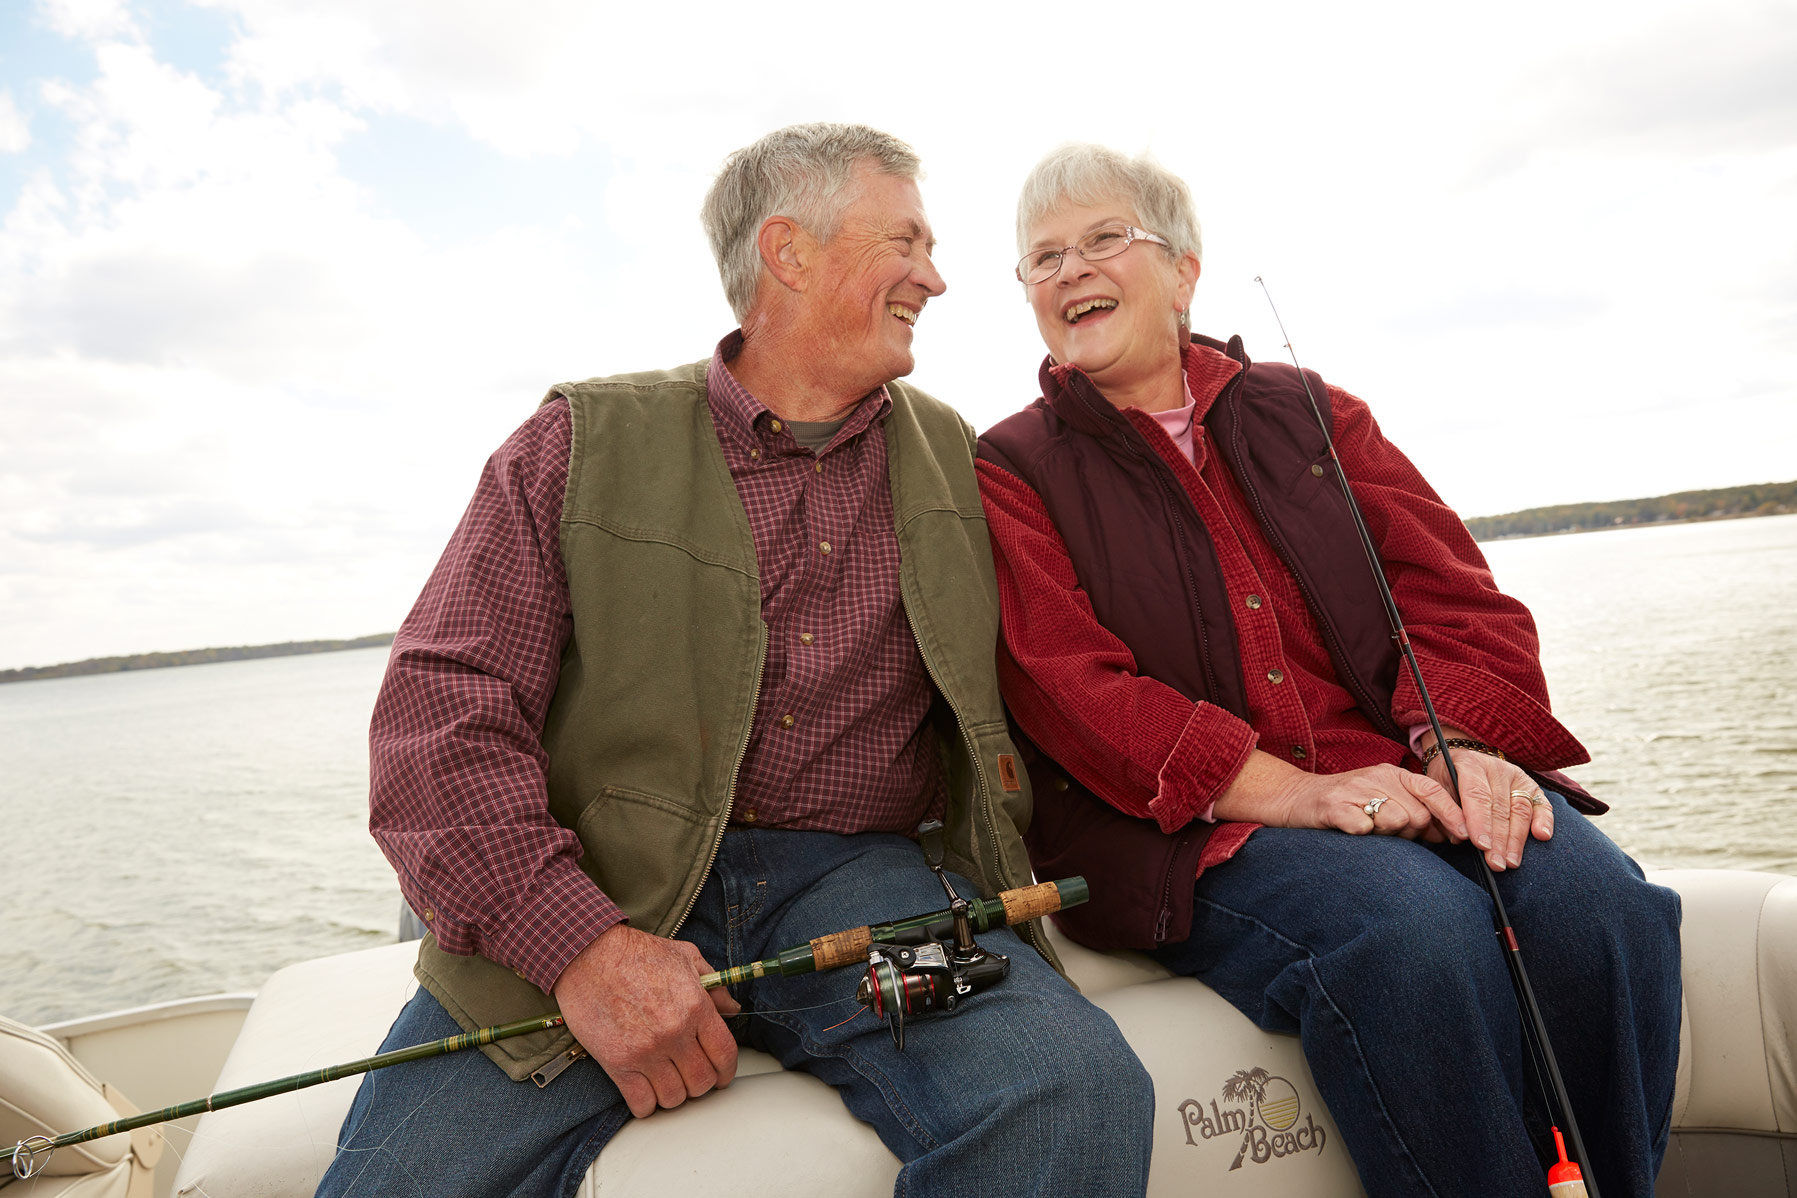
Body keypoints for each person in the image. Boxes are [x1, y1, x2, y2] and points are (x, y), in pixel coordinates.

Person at [315, 125, 1152, 1198]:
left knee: (1069, 1090)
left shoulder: (956, 452)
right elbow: (438, 720)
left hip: (867, 884)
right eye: (904, 241)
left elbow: (1094, 634)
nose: (936, 278)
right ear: (789, 252)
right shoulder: (574, 443)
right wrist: (582, 948)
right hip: (600, 878)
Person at [975, 143, 1682, 1198]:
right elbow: (1069, 687)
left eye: (1103, 238)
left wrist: (1463, 745)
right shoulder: (1012, 466)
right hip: (1203, 831)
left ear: (1184, 270)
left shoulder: (1311, 409)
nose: (1071, 270)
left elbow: (1451, 593)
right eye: (1043, 257)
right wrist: (1297, 792)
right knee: (1411, 929)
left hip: (1404, 768)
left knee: (1602, 906)